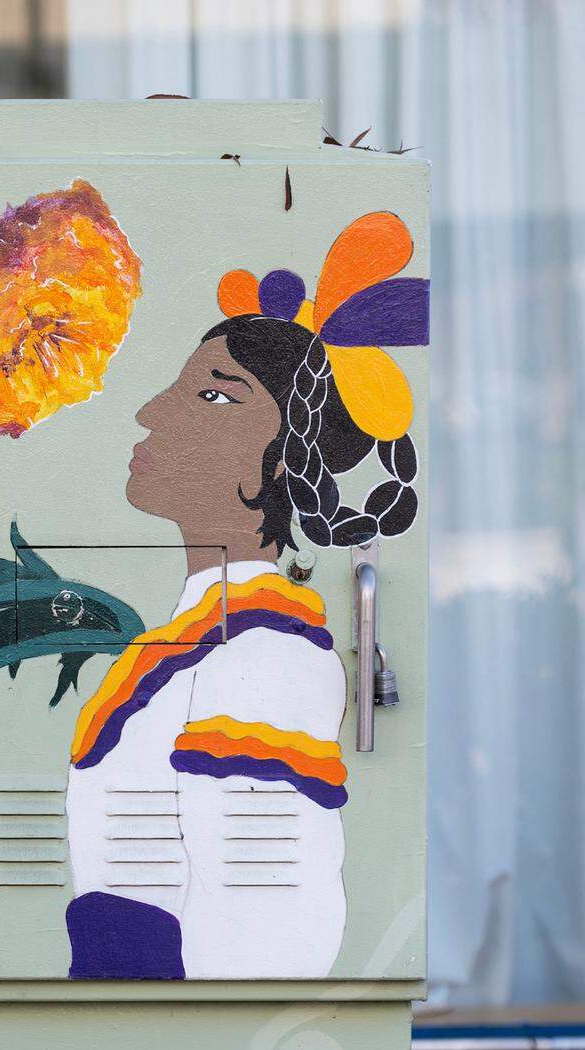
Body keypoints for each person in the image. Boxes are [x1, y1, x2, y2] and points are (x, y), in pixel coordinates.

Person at [64, 210, 429, 980]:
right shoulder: (205, 635)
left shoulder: (261, 653)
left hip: (173, 1043)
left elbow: (270, 928)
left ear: (276, 465)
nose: (151, 411)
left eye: (214, 397)